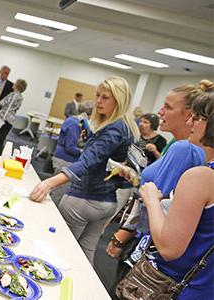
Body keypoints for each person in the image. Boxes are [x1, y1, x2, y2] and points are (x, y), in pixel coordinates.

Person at [106, 81, 209, 293]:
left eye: (197, 118)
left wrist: (150, 201)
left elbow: (168, 241)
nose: (160, 112)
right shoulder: (192, 157)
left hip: (165, 269)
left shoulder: (193, 163)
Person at [30, 76, 139, 265]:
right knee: (85, 255)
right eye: (98, 95)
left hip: (84, 200)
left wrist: (49, 182)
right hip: (106, 202)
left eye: (105, 97)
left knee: (58, 251)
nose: (98, 101)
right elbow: (104, 158)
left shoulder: (114, 129)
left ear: (119, 100)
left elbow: (87, 161)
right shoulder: (126, 127)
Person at [138, 81, 213, 299]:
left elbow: (169, 249)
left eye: (197, 118)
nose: (189, 122)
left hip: (178, 287)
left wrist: (152, 200)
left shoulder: (201, 177)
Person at [50, 100, 94, 205]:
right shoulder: (75, 124)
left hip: (64, 159)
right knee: (58, 193)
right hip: (65, 160)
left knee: (57, 191)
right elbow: (70, 147)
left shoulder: (74, 121)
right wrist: (84, 152)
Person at [0, 79, 27, 154]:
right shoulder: (21, 98)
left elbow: (0, 104)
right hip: (10, 121)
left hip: (2, 119)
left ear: (17, 85)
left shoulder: (12, 94)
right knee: (1, 140)